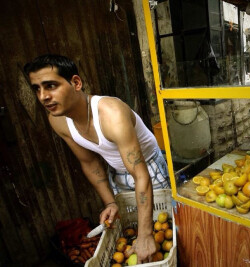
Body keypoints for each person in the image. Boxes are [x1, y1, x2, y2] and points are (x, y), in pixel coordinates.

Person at [24, 54, 170, 263]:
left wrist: (146, 235)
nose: (43, 96)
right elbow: (89, 162)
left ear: (76, 83)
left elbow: (140, 174)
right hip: (117, 172)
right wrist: (110, 202)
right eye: (37, 88)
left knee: (158, 229)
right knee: (132, 231)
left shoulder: (111, 114)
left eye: (50, 86)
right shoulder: (58, 121)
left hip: (148, 169)